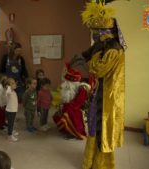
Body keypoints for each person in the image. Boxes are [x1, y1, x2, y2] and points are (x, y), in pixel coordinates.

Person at [72, 1, 126, 168]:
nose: (93, 36)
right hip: (100, 93)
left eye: (95, 32)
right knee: (94, 126)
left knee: (102, 130)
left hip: (108, 97)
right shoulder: (103, 45)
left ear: (104, 32)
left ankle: (101, 164)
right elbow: (88, 54)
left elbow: (99, 69)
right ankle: (90, 160)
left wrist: (92, 54)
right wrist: (80, 57)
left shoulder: (114, 48)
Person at [53, 65, 90, 140]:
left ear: (71, 83)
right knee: (59, 113)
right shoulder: (71, 88)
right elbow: (67, 99)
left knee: (67, 113)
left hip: (78, 109)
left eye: (67, 83)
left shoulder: (82, 89)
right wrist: (62, 104)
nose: (64, 84)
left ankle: (74, 132)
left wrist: (66, 105)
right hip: (71, 106)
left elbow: (78, 103)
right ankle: (67, 130)